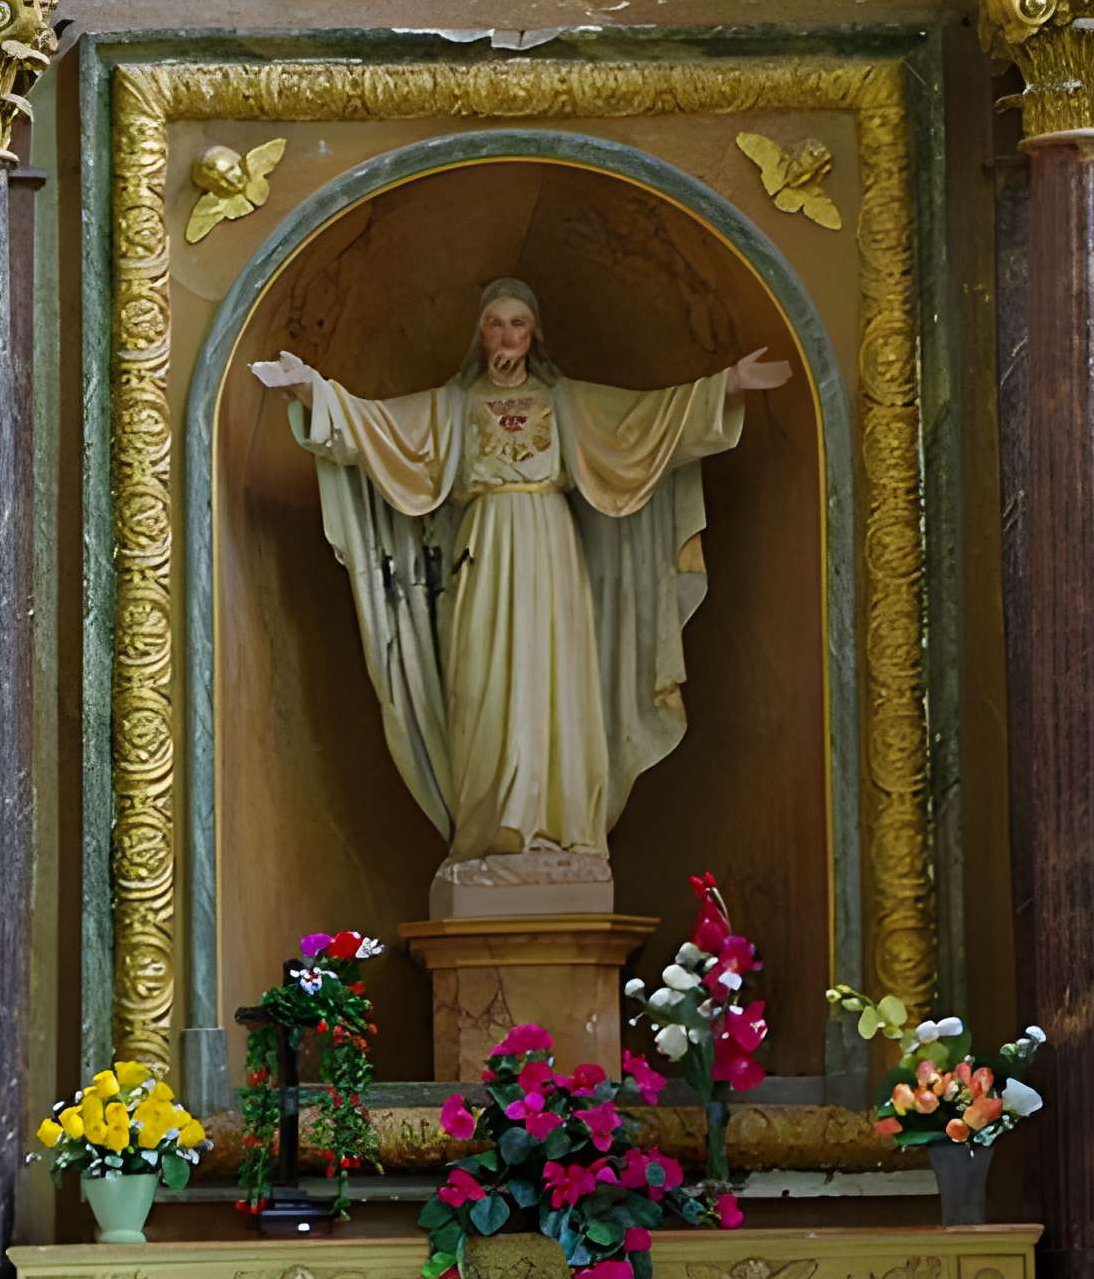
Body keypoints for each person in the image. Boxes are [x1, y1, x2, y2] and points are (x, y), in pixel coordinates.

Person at [252, 278, 787, 862]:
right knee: (480, 679)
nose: (506, 335)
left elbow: (646, 422)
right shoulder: (452, 406)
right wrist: (312, 391)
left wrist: (727, 386)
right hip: (481, 547)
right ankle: (489, 833)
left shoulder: (566, 402)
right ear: (479, 334)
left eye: (518, 323)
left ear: (534, 334)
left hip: (550, 548)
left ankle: (565, 830)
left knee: (554, 675)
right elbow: (378, 429)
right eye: (494, 323)